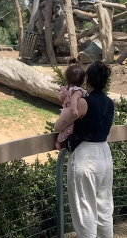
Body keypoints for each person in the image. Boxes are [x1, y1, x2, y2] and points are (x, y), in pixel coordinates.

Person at [54, 60, 114, 238]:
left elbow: (59, 125)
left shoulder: (83, 103)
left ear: (87, 78)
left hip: (84, 156)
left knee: (84, 211)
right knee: (104, 208)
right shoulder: (110, 103)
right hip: (104, 153)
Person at [55, 60, 87, 151]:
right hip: (70, 112)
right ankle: (59, 141)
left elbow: (61, 98)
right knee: (69, 128)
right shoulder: (78, 91)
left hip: (64, 110)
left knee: (64, 127)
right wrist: (74, 110)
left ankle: (59, 141)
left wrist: (65, 100)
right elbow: (74, 99)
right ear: (82, 79)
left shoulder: (66, 88)